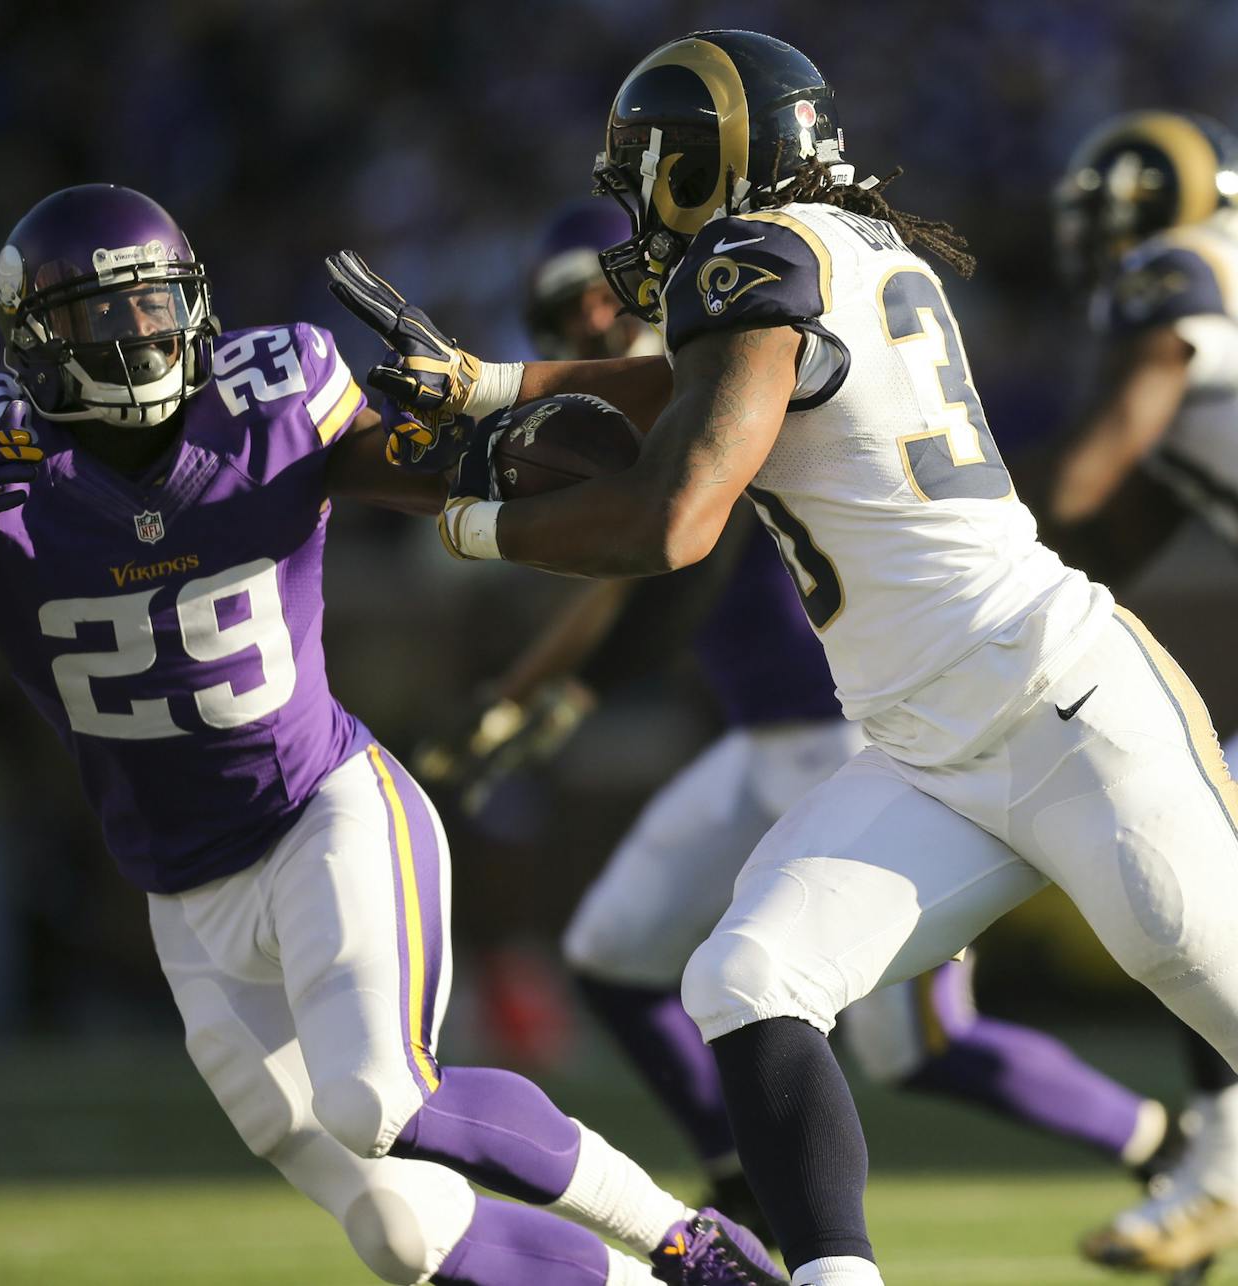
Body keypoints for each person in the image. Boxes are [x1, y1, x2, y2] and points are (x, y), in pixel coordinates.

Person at [326, 31, 1238, 1286]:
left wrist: (465, 515)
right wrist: (491, 386)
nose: (636, 198)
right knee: (748, 976)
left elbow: (673, 517)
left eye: (649, 166)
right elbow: (705, 386)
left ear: (712, 163)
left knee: (1220, 990)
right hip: (927, 749)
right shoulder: (836, 247)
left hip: (1063, 706)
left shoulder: (753, 260)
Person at [0, 183, 782, 1286]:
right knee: (404, 1236)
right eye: (101, 314)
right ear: (37, 337)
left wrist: (466, 424)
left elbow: (442, 482)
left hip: (322, 809)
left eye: (154, 306)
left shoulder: (273, 398)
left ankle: (688, 1241)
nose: (139, 336)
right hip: (183, 893)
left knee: (380, 1094)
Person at [429, 207, 1179, 1233]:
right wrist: (520, 689)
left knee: (912, 1042)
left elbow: (675, 556)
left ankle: (1164, 1145)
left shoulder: (737, 346)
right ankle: (744, 1176)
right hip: (764, 739)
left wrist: (557, 683)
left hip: (869, 731)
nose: (594, 316)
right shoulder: (668, 362)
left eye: (601, 290)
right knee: (617, 949)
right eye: (567, 305)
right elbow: (613, 580)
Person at [1042, 110, 1238, 1279]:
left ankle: (1214, 1170)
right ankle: (1212, 1167)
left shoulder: (1180, 275)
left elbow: (1087, 476)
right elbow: (1114, 531)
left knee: (1197, 858)